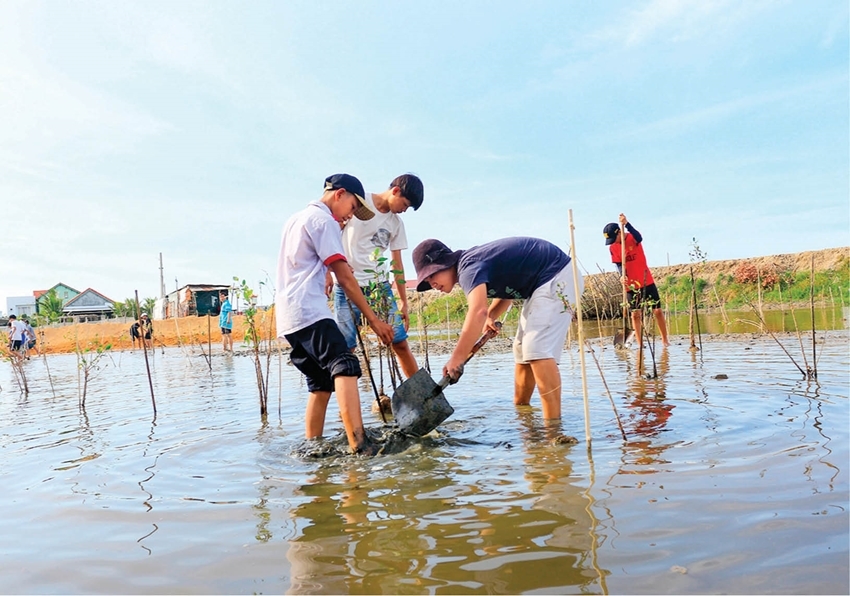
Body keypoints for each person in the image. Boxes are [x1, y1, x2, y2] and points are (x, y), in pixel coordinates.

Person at [275, 173, 395, 455]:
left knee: (321, 384)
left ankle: (312, 447)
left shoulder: (296, 219)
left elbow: (304, 261)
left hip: (290, 316)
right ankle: (360, 444)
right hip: (310, 310)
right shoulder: (324, 221)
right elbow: (346, 277)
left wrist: (326, 270)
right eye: (353, 208)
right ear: (339, 194)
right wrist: (375, 320)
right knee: (345, 364)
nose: (350, 217)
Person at [412, 236, 584, 422]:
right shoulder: (471, 267)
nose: (432, 284)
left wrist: (457, 357)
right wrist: (491, 316)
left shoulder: (468, 268)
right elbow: (507, 290)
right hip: (540, 284)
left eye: (432, 275)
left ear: (445, 263)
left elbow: (478, 311)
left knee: (536, 349)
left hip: (557, 276)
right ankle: (523, 415)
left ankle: (553, 427)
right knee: (521, 350)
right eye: (427, 281)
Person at [332, 173, 424, 379]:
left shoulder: (396, 224)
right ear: (395, 191)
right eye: (405, 204)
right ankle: (347, 409)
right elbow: (333, 232)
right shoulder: (359, 201)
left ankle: (422, 396)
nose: (404, 210)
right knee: (346, 349)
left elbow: (397, 264)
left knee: (399, 341)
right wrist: (328, 272)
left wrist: (403, 301)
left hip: (379, 287)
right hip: (346, 286)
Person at [603, 213, 670, 347]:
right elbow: (618, 264)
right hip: (631, 285)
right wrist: (622, 275)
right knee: (635, 315)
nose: (613, 242)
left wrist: (626, 223)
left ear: (619, 233)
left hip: (646, 280)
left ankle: (665, 340)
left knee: (657, 311)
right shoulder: (613, 248)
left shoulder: (633, 237)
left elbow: (640, 237)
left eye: (613, 238)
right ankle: (640, 344)